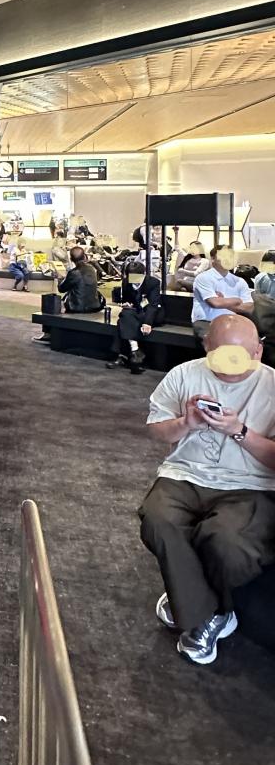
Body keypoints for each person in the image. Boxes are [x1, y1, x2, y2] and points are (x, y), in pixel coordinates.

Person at [139, 314, 275, 665]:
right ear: (206, 347)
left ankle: (187, 598)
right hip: (185, 474)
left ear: (258, 351)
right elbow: (156, 430)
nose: (231, 367)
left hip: (250, 484)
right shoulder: (184, 375)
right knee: (158, 520)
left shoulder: (272, 385)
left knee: (228, 542)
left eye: (241, 356)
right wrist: (186, 423)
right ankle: (211, 613)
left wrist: (239, 431)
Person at [107, 261, 163, 375]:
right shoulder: (126, 282)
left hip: (151, 313)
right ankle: (135, 351)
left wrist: (147, 323)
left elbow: (153, 305)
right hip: (134, 312)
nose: (132, 280)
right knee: (125, 315)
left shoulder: (153, 283)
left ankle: (123, 355)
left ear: (143, 274)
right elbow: (127, 300)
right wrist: (127, 304)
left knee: (123, 320)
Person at [191, 244, 254, 340]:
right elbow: (215, 303)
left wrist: (223, 301)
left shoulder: (240, 281)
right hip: (206, 322)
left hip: (232, 322)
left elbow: (249, 308)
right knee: (220, 340)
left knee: (252, 340)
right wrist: (237, 300)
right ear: (213, 259)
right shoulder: (204, 278)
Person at [58, 246, 105, 314]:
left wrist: (59, 278)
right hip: (95, 307)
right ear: (84, 256)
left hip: (77, 308)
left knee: (65, 296)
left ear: (71, 259)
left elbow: (61, 289)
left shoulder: (73, 273)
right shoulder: (92, 269)